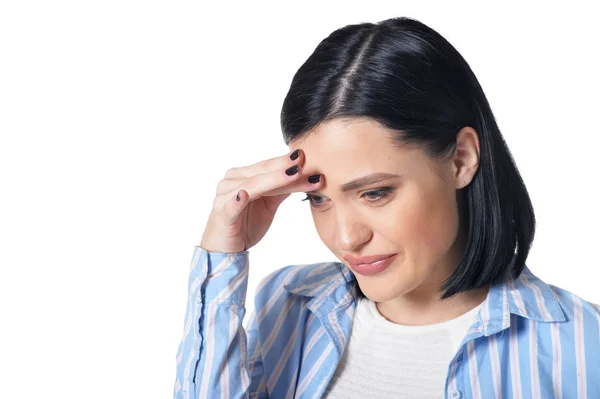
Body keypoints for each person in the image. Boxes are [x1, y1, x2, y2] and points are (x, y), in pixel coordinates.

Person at [173, 16, 600, 399]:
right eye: (318, 198)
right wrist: (221, 257)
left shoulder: (582, 347)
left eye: (375, 193)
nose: (345, 238)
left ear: (461, 159)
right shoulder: (286, 307)